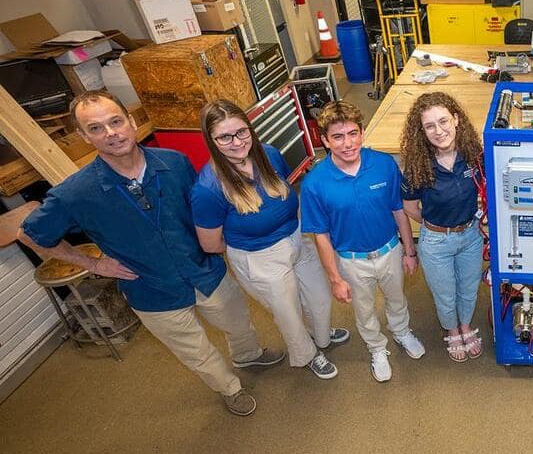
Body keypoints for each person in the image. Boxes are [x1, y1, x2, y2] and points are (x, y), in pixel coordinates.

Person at [18, 91, 283, 417]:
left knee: (239, 322)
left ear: (131, 121)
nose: (111, 133)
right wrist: (93, 263)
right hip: (150, 289)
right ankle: (230, 388)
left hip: (204, 270)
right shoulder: (74, 192)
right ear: (83, 136)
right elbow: (30, 235)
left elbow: (203, 209)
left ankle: (248, 355)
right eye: (97, 128)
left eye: (116, 121)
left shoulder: (174, 162)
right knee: (195, 351)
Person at [191, 99, 350, 381]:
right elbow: (210, 244)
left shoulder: (269, 154)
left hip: (297, 237)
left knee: (320, 296)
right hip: (259, 257)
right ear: (211, 140)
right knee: (288, 314)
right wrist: (252, 244)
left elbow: (289, 191)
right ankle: (308, 354)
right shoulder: (208, 187)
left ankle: (321, 336)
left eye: (241, 132)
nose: (236, 141)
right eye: (224, 137)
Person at [302, 100, 425, 382]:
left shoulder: (383, 164)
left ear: (362, 132)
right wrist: (335, 278)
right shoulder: (315, 184)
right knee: (364, 309)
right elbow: (320, 234)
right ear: (325, 140)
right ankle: (376, 348)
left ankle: (402, 332)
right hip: (351, 260)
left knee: (397, 298)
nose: (347, 144)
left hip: (390, 250)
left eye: (353, 134)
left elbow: (398, 209)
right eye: (338, 136)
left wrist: (409, 251)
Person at [399, 92, 485, 363]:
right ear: (422, 131)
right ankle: (452, 329)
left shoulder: (474, 155)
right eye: (430, 126)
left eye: (444, 121)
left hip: (471, 235)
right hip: (436, 241)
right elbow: (409, 206)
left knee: (469, 287)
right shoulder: (418, 164)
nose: (439, 131)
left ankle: (466, 326)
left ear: (456, 119)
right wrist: (433, 226)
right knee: (445, 291)